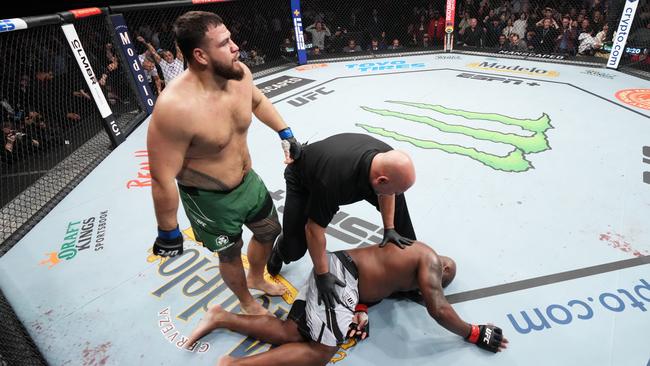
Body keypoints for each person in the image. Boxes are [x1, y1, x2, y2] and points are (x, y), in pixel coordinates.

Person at [147, 11, 303, 316]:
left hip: (249, 182)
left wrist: (285, 132)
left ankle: (256, 276)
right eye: (225, 43)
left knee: (269, 232)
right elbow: (161, 177)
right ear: (200, 55)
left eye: (231, 38)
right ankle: (246, 301)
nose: (236, 48)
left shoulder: (239, 74)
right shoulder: (174, 108)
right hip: (210, 200)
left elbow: (257, 101)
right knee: (230, 255)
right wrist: (168, 230)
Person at [186, 241, 509, 365]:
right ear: (445, 268)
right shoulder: (430, 260)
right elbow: (438, 308)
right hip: (340, 279)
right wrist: (473, 332)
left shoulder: (400, 263)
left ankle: (222, 317)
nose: (425, 291)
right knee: (320, 353)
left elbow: (372, 288)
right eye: (435, 285)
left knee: (293, 332)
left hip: (335, 270)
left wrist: (360, 310)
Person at [267, 133, 417, 309]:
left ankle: (408, 270)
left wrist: (390, 228)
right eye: (395, 190)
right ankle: (280, 248)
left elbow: (389, 191)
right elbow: (314, 230)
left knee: (398, 209)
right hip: (304, 179)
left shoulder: (388, 158)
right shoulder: (333, 181)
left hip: (346, 169)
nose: (396, 193)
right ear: (381, 180)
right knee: (295, 248)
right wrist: (322, 274)